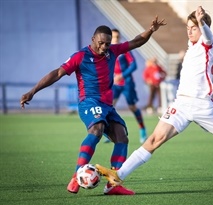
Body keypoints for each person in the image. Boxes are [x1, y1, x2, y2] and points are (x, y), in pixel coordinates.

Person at [96, 6, 213, 192]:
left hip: (203, 105)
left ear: (203, 29)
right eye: (188, 27)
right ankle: (119, 175)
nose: (189, 30)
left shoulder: (206, 41)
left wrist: (202, 21)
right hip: (181, 104)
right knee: (155, 139)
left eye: (193, 27)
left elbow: (211, 37)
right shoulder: (193, 44)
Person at [20, 16, 166, 195]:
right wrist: (33, 91)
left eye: (107, 43)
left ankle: (114, 184)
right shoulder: (81, 56)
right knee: (97, 129)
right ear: (93, 40)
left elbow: (137, 41)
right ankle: (76, 177)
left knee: (122, 137)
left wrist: (151, 30)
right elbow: (57, 73)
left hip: (107, 105)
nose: (104, 47)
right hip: (89, 101)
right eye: (101, 43)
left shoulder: (112, 51)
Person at [108, 28, 147, 144]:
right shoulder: (107, 50)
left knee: (132, 107)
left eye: (117, 37)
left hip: (127, 83)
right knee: (109, 106)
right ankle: (110, 132)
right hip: (114, 84)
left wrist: (122, 75)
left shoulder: (124, 49)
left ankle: (142, 129)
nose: (115, 39)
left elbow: (134, 65)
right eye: (113, 37)